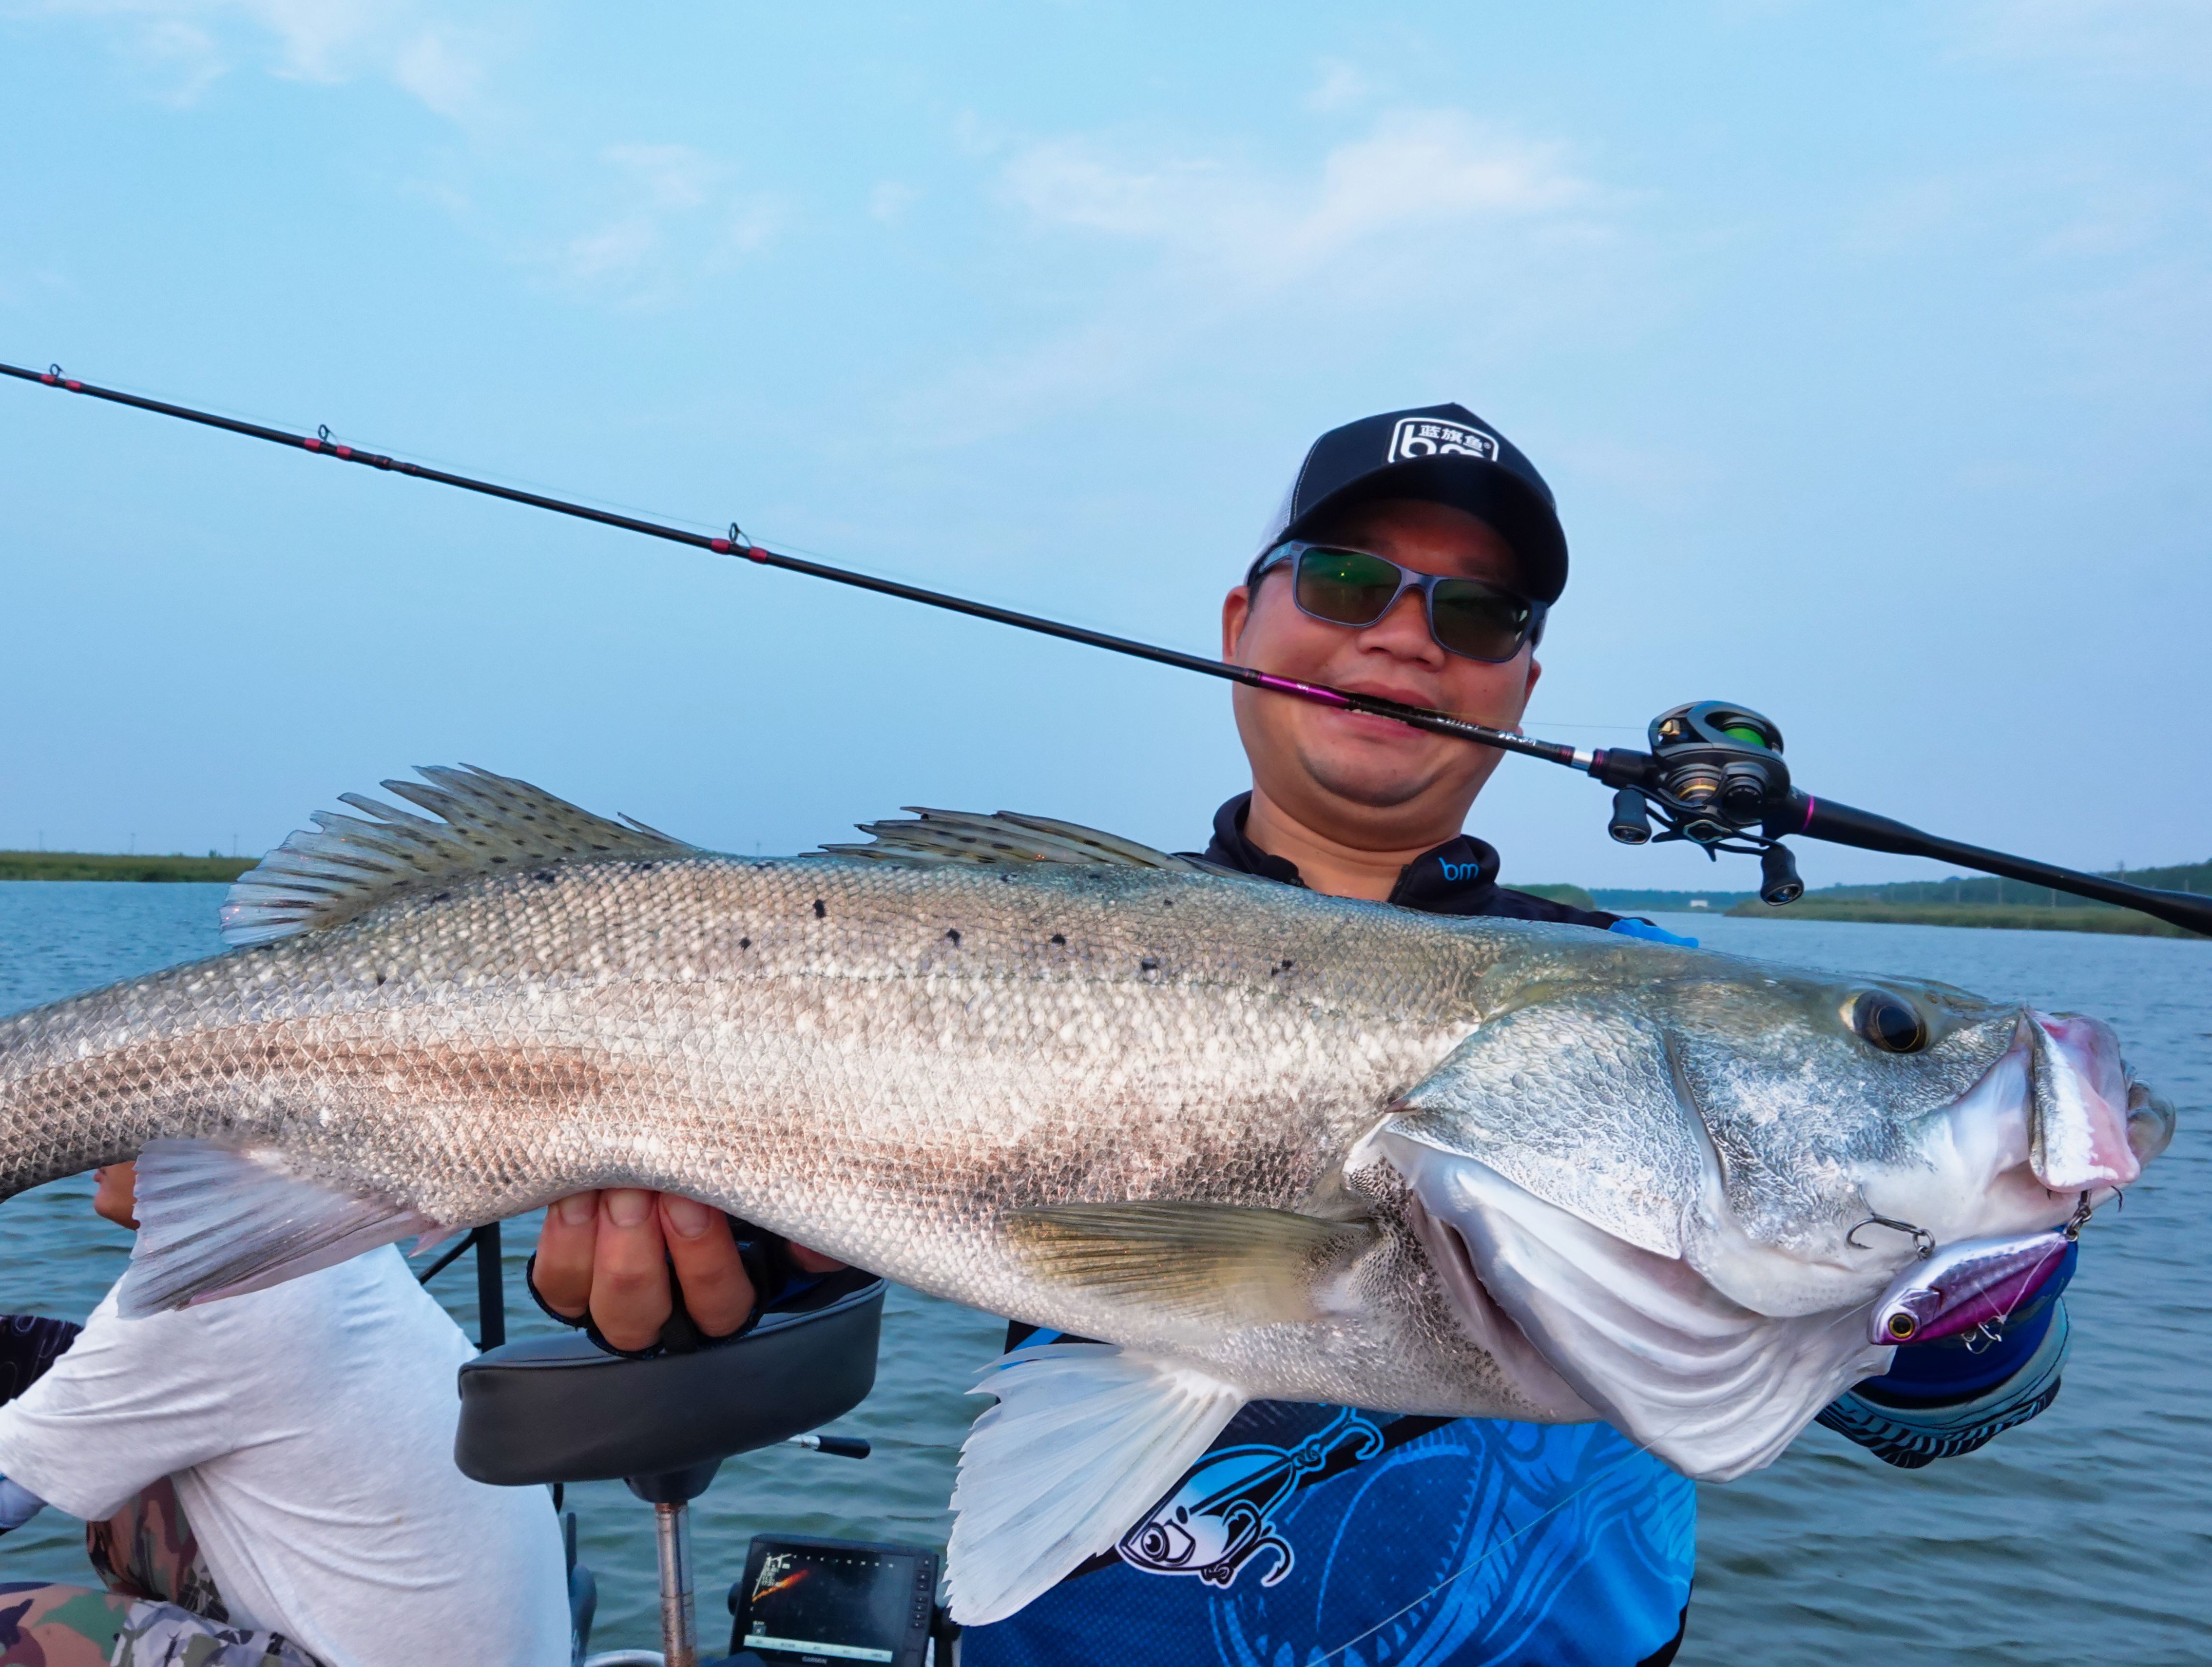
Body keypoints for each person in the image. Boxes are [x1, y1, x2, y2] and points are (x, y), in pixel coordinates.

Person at [528, 405, 2078, 1665]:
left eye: (1479, 612)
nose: (1409, 638)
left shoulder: (1650, 984)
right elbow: (806, 1237)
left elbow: (1946, 1406)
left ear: (1527, 680)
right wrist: (700, 1279)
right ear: (1240, 619)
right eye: (1346, 581)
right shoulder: (993, 946)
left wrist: (1975, 1248)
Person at [0, 1161, 571, 1667]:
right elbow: (137, 1385)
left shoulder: (202, 1298)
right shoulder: (307, 1227)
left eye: (107, 1124)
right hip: (508, 1646)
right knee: (129, 1502)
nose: (78, 1150)